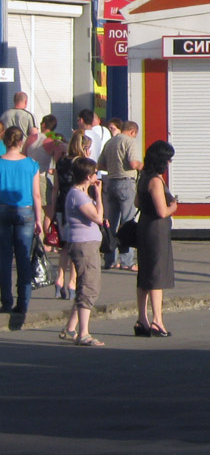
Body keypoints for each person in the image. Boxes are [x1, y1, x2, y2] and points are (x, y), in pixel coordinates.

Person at [0, 126, 43, 325]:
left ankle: (6, 301)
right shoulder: (31, 164)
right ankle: (23, 302)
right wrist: (39, 219)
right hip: (25, 211)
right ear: (20, 142)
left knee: (4, 258)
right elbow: (36, 194)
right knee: (24, 257)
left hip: (2, 210)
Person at [135, 140, 178, 338]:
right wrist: (174, 207)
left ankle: (142, 319)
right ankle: (157, 320)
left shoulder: (143, 178)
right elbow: (162, 211)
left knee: (144, 274)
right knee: (156, 275)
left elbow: (137, 202)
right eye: (168, 159)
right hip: (156, 229)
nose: (169, 163)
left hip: (143, 225)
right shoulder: (156, 181)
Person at [61, 157, 106, 346]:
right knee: (90, 287)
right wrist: (99, 195)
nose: (96, 176)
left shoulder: (79, 193)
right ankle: (84, 333)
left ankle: (71, 328)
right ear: (88, 176)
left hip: (86, 243)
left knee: (83, 286)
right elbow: (97, 216)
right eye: (95, 173)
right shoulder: (78, 195)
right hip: (84, 245)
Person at [49, 131, 93, 302]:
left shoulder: (61, 162)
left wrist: (53, 209)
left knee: (65, 246)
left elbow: (55, 188)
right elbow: (86, 188)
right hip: (77, 208)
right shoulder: (82, 164)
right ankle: (72, 283)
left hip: (61, 206)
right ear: (84, 147)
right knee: (76, 247)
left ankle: (59, 279)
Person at [97, 120, 143, 271]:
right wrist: (143, 165)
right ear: (132, 132)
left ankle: (110, 259)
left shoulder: (110, 142)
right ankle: (127, 261)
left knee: (112, 222)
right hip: (126, 182)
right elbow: (133, 163)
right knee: (128, 220)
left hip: (111, 182)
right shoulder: (129, 142)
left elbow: (101, 164)